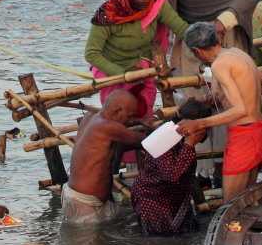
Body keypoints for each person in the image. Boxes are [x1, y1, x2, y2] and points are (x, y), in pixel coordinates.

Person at [175, 20, 262, 202]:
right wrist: (225, 101)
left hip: (244, 135)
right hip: (259, 128)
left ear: (197, 51)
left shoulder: (219, 65)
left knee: (230, 203)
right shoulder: (237, 53)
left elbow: (240, 109)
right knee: (246, 201)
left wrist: (199, 123)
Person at [131, 99, 212, 236]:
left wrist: (201, 204)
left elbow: (188, 176)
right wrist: (189, 144)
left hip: (173, 197)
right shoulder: (166, 137)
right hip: (153, 199)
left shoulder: (180, 137)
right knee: (161, 242)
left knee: (182, 235)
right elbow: (172, 175)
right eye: (204, 126)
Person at [63, 94, 144, 224]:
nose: (130, 120)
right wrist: (151, 125)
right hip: (86, 204)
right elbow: (142, 141)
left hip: (77, 195)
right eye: (130, 116)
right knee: (88, 244)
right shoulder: (108, 127)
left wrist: (135, 121)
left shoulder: (89, 117)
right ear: (118, 111)